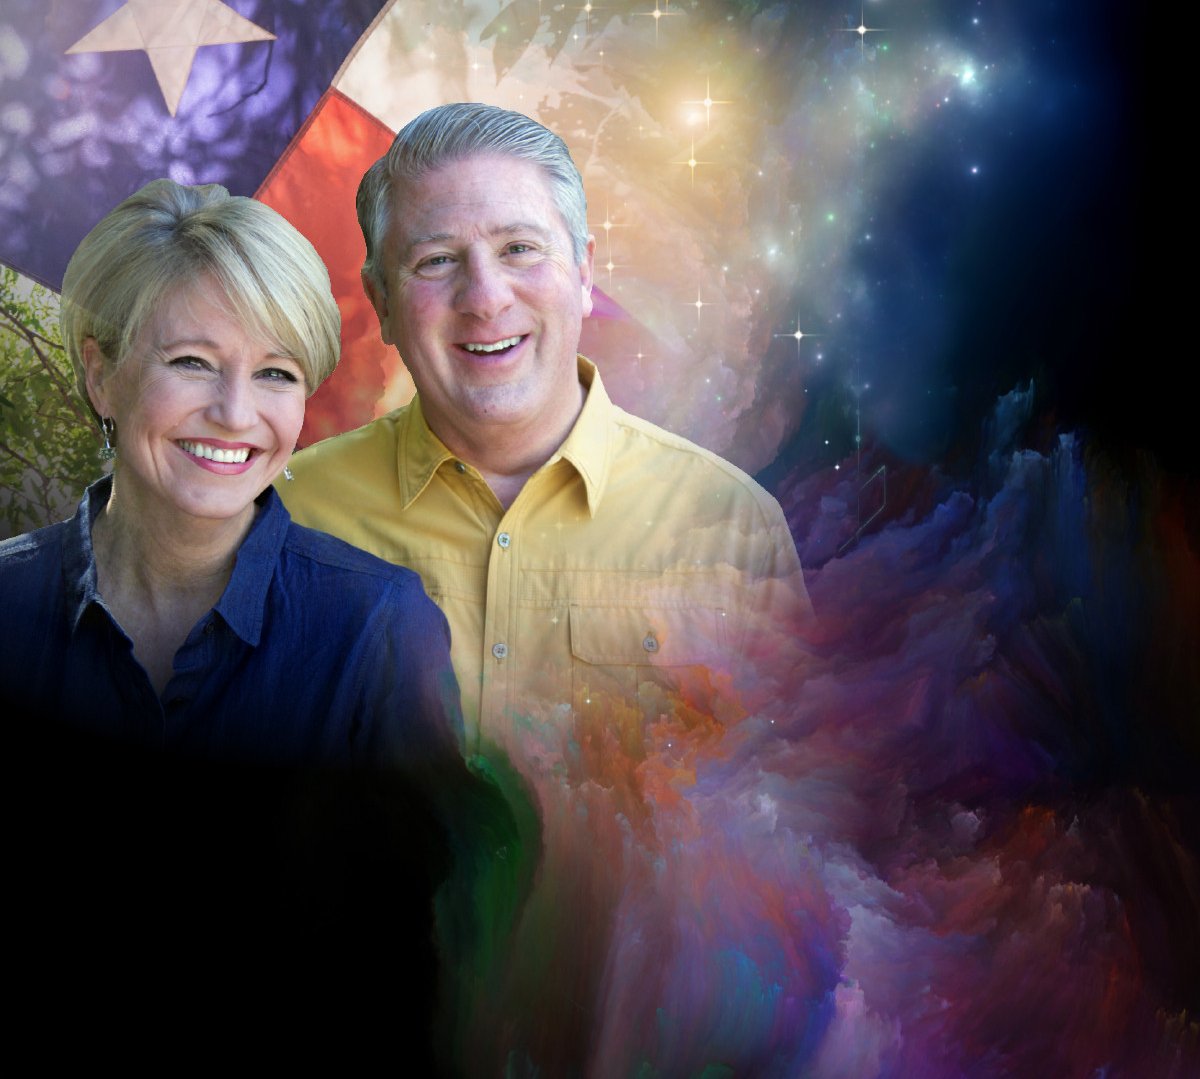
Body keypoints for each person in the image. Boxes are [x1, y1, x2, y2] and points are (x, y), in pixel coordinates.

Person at [279, 104, 816, 1076]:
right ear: (383, 298)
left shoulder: (729, 527)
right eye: (436, 261)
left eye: (520, 249)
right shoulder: (289, 519)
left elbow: (799, 856)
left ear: (583, 267)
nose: (486, 299)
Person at [0, 179, 484, 1071]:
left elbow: (417, 962)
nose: (235, 413)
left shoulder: (376, 627)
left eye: (276, 374)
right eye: (191, 361)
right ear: (102, 371)